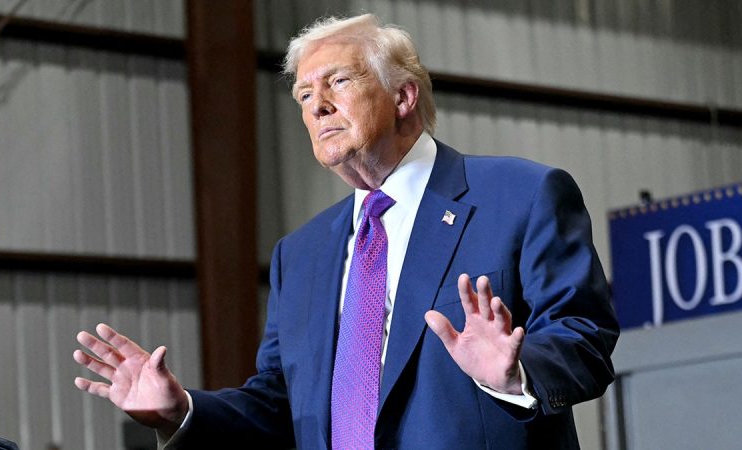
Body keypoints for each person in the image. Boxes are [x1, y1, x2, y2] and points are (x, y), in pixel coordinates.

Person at [73, 13, 619, 449]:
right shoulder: (300, 254)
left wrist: (516, 372)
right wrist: (182, 410)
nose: (318, 106)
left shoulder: (521, 195)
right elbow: (280, 404)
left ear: (403, 97)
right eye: (304, 96)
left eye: (337, 81)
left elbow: (585, 337)